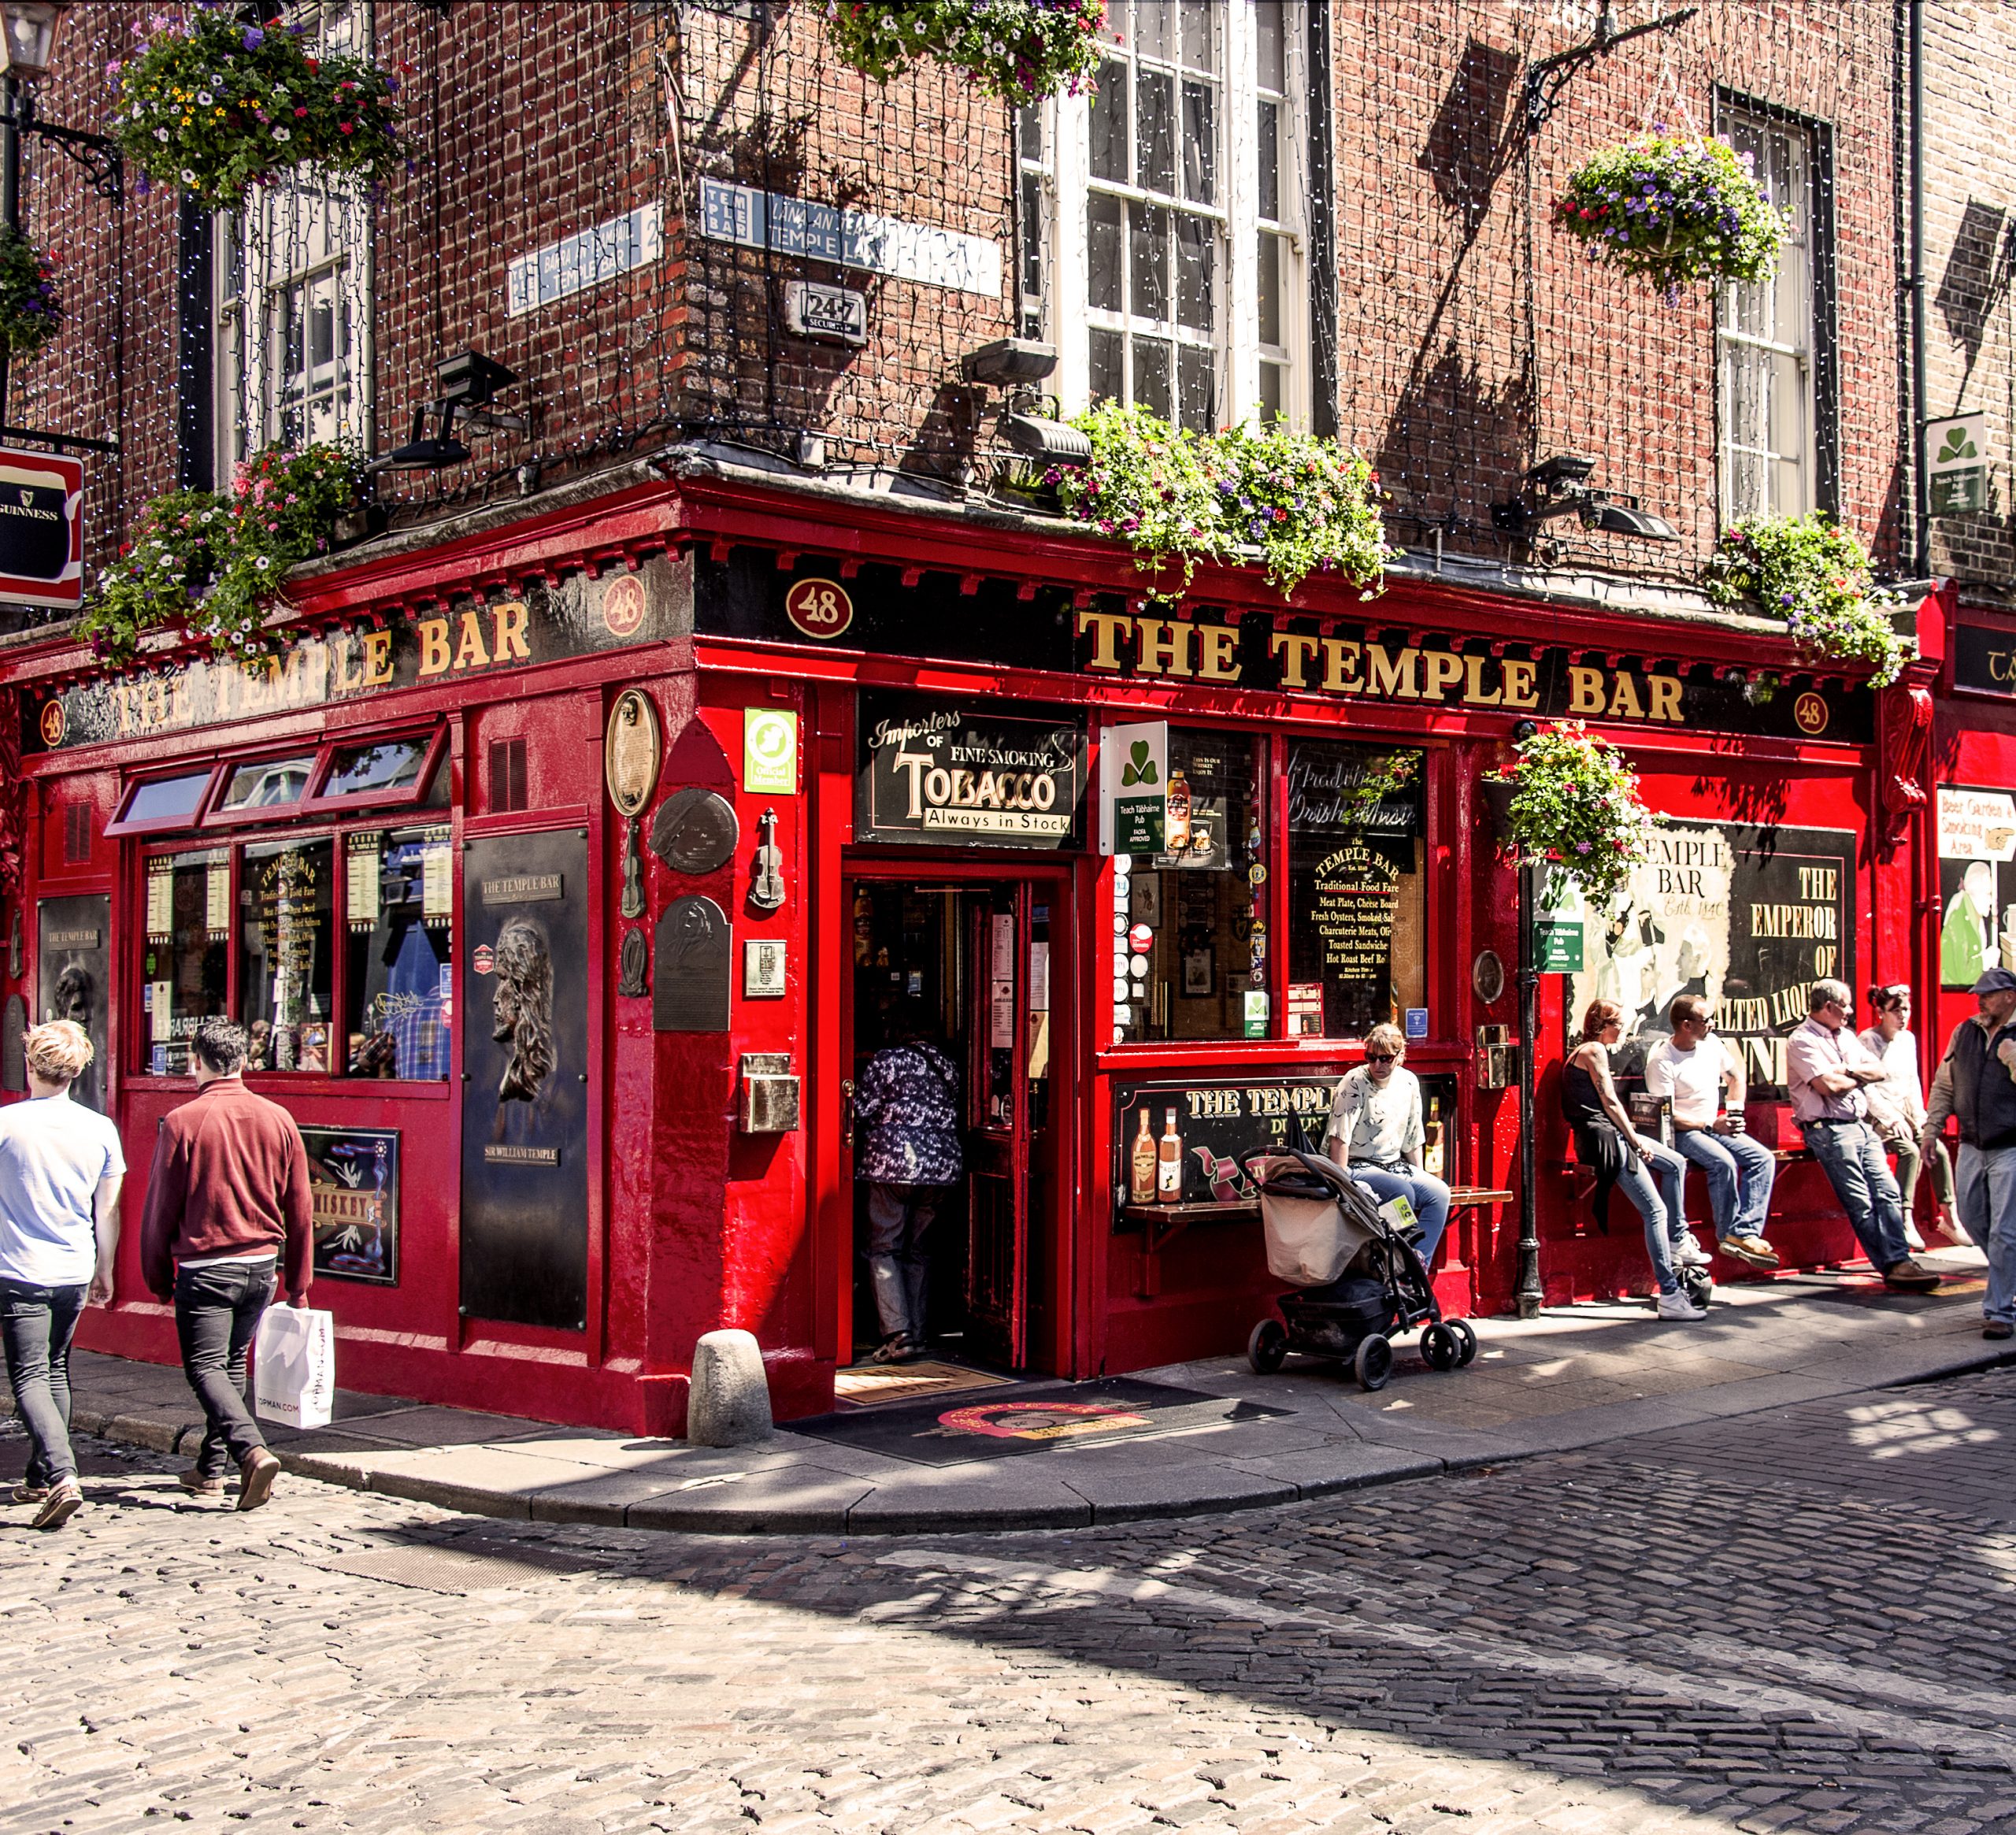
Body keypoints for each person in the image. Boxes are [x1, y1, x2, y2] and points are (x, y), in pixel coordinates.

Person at [139, 1017, 313, 1510]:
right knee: (231, 1363)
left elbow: (160, 1211)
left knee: (204, 1368)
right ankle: (210, 1469)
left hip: (206, 1267)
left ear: (197, 1061)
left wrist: (156, 1278)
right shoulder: (278, 1118)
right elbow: (301, 1207)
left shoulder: (183, 1122)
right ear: (244, 1061)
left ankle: (251, 1451)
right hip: (261, 1266)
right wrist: (297, 1282)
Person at [0, 1021, 124, 1531]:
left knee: (28, 1375)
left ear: (32, 1066)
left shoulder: (7, 1123)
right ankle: (38, 1472)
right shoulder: (100, 1129)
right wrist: (106, 1267)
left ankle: (62, 1476)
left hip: (19, 1267)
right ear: (76, 1072)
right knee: (54, 1369)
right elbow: (108, 1212)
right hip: (74, 1268)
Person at [1786, 980, 1942, 1293]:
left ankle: (1902, 1260)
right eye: (1845, 1005)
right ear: (1828, 1007)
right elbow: (1826, 1087)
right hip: (1828, 1129)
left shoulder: (1845, 1037)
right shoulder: (1801, 1041)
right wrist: (1854, 1073)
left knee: (1887, 1192)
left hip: (1861, 1125)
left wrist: (1845, 1072)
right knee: (1861, 1202)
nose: (1851, 1011)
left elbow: (1879, 1071)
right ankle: (1892, 1266)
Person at [1562, 1001, 1706, 1320]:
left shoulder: (1585, 1051)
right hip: (1606, 1140)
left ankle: (1678, 1239)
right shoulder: (1593, 1051)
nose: (1625, 1031)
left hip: (1609, 1134)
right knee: (1654, 1211)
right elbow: (1610, 1101)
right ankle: (1670, 1294)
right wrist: (1634, 1139)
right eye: (1621, 1024)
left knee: (1676, 1163)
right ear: (1605, 1024)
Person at [853, 1002, 962, 1366]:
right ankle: (918, 1331)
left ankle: (898, 1334)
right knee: (918, 1250)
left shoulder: (888, 1060)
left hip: (891, 1165)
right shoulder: (947, 1064)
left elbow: (859, 1109)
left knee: (883, 1248)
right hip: (941, 1168)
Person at [1643, 995, 1778, 1269]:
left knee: (1763, 1158)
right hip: (1685, 1133)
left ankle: (1745, 1232)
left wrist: (1735, 1114)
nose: (1713, 1025)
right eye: (1707, 1020)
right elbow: (1666, 1115)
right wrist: (1709, 1125)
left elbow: (1735, 1077)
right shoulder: (1662, 1061)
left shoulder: (1712, 1044)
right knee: (1724, 1163)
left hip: (1714, 1126)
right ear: (1686, 1025)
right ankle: (1728, 1233)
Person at [1922, 966, 2016, 1340]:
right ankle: (2007, 1279)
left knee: (2005, 1232)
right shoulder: (1965, 1032)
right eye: (1980, 994)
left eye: (1989, 994)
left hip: (2011, 1145)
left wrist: (2011, 1057)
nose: (1981, 1000)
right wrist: (1932, 1130)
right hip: (1973, 1145)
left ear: (2010, 995)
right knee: (1974, 1220)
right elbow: (1944, 1084)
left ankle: (1999, 1313)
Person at [1322, 1023, 1452, 1270]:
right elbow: (1339, 1138)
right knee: (1403, 1192)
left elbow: (1413, 1137)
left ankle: (1418, 1265)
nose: (1377, 1066)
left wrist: (1421, 1176)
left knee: (1438, 1193)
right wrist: (1341, 1188)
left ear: (1401, 1056)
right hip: (1356, 1166)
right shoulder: (1355, 1082)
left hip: (1393, 1165)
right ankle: (1396, 1260)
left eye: (1385, 1058)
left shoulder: (1408, 1083)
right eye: (1371, 1058)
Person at [1860, 984, 1954, 1251]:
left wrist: (1922, 1119)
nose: (1903, 1015)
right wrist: (1890, 1119)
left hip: (1906, 1114)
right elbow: (1867, 1090)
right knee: (1910, 1152)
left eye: (1906, 1009)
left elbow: (1912, 1082)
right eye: (1896, 1010)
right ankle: (1904, 1218)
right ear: (1880, 1011)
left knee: (1937, 1149)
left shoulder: (1907, 1039)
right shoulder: (1868, 1041)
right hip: (1879, 1117)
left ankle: (1949, 1216)